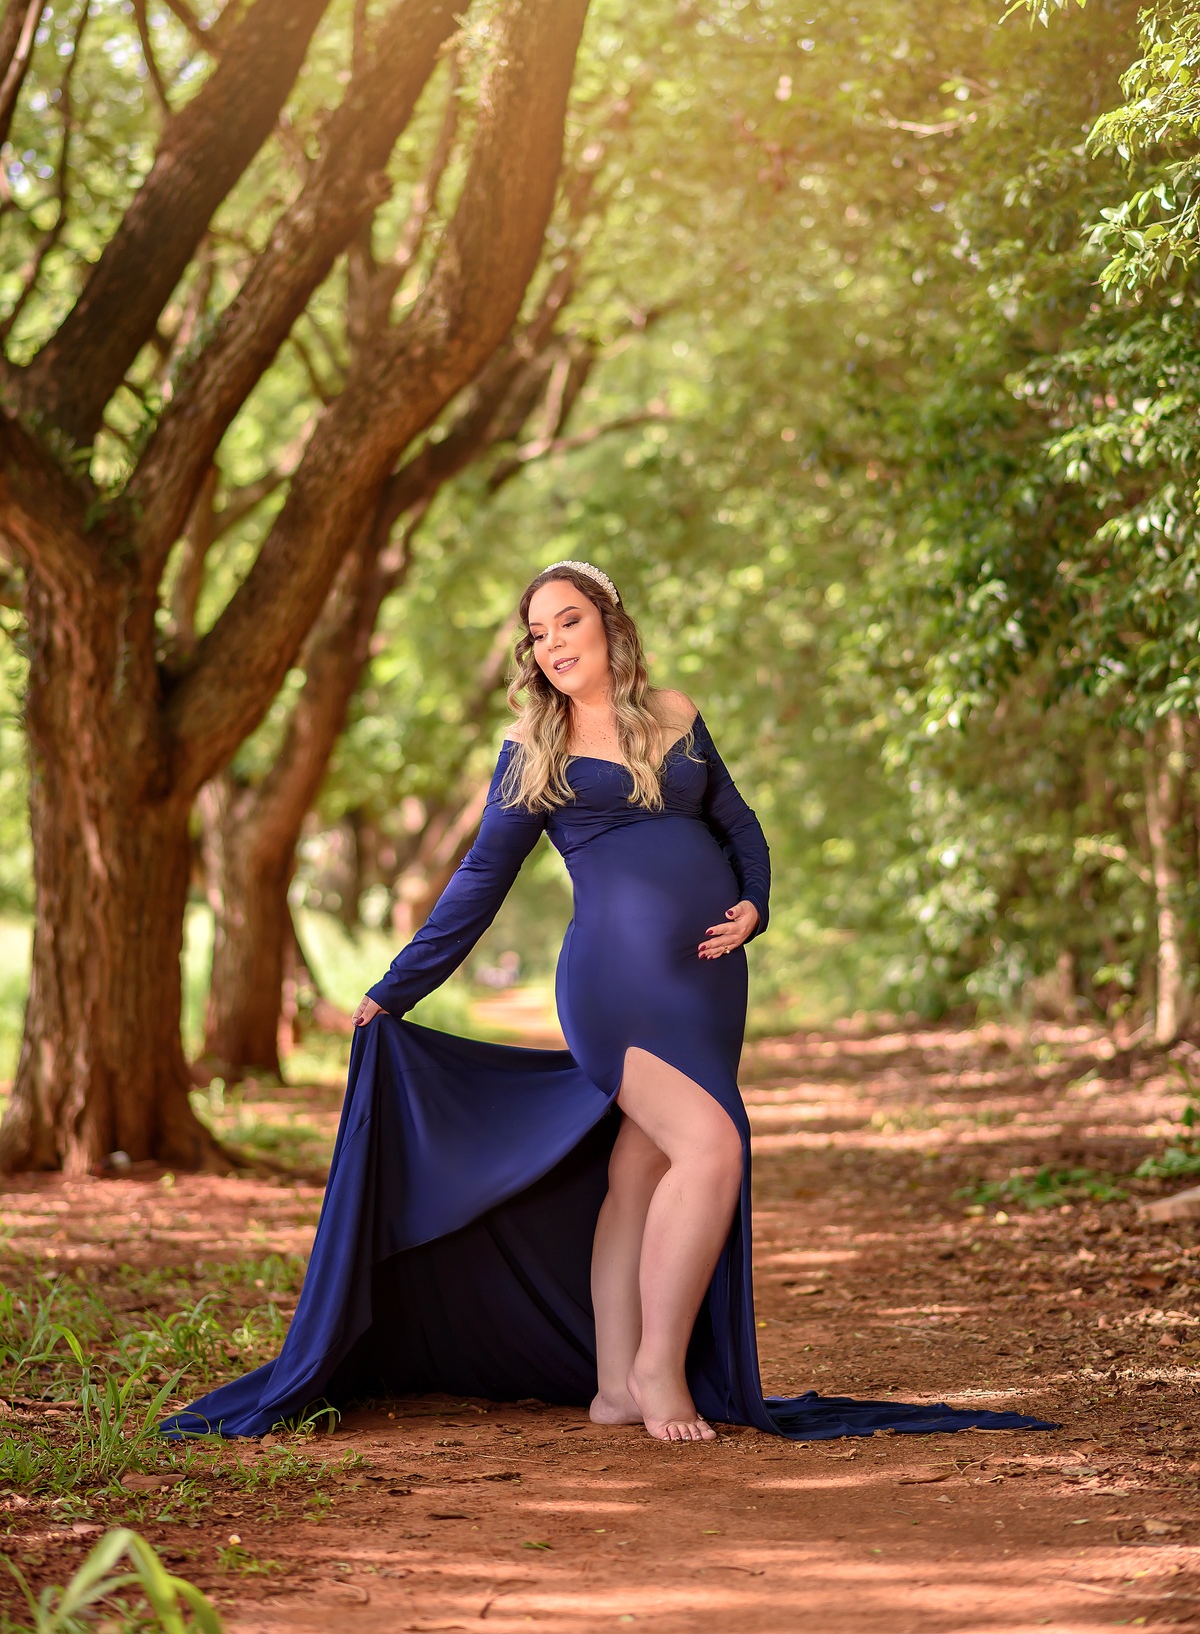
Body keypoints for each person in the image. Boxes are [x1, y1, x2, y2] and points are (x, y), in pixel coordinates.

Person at [163, 563, 1052, 1446]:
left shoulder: (677, 713)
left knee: (641, 1170)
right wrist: (395, 986)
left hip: (708, 988)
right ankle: (659, 1369)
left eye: (568, 621)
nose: (552, 644)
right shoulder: (534, 751)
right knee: (711, 1149)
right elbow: (481, 878)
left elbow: (739, 824)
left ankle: (615, 1385)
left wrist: (755, 902)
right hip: (615, 990)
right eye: (537, 633)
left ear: (609, 625)